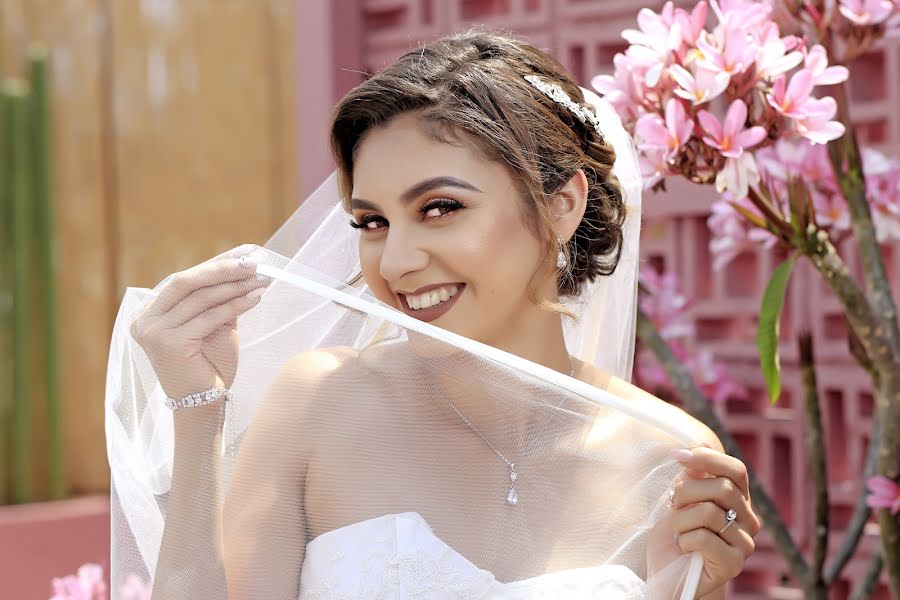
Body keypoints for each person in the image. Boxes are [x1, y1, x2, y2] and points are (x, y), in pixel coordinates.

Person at [110, 30, 759, 599]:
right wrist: (198, 412)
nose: (394, 262)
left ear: (561, 206)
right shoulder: (318, 405)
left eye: (440, 208)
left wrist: (694, 593)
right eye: (372, 222)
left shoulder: (669, 459)